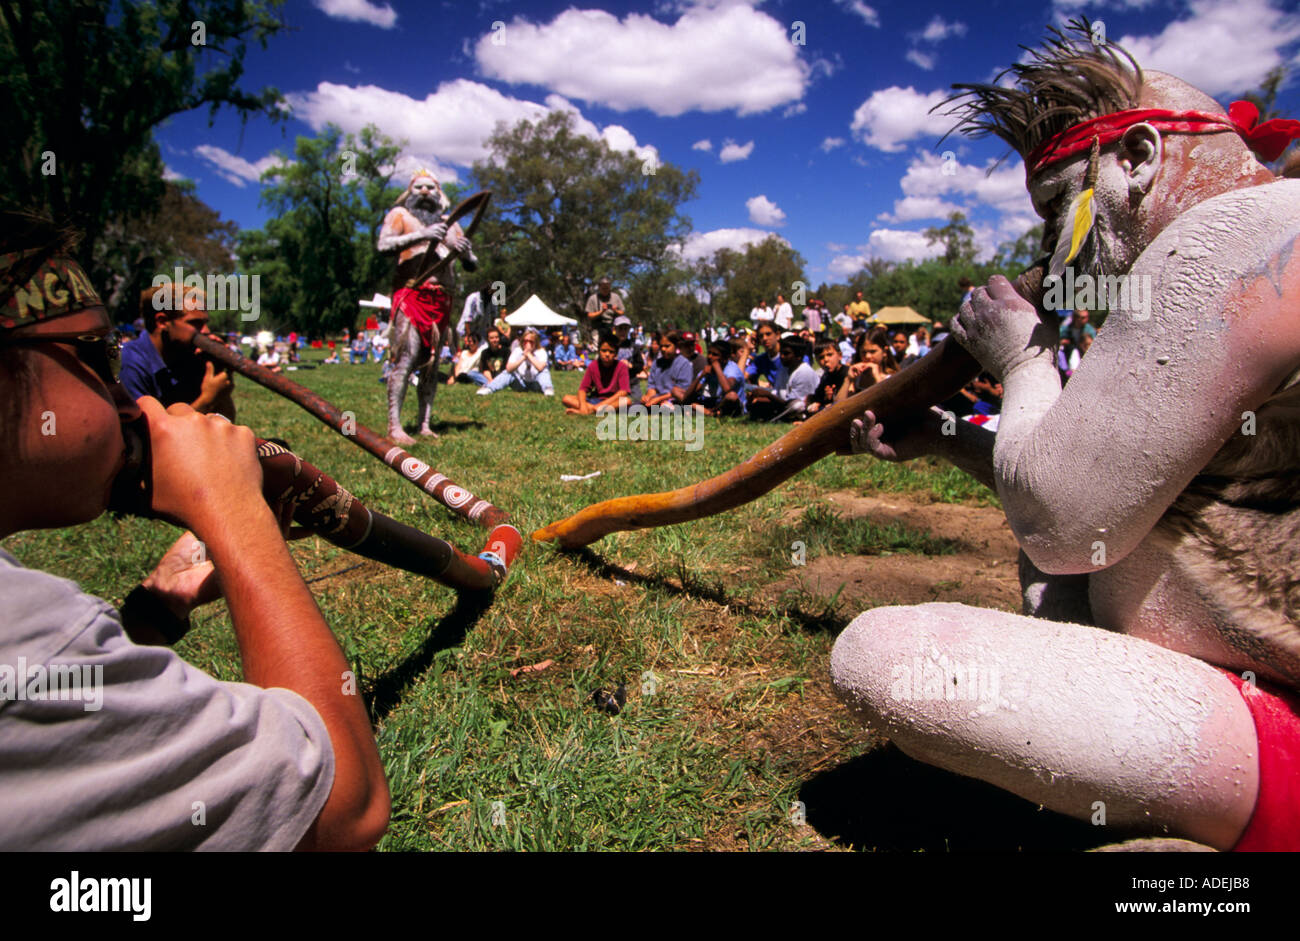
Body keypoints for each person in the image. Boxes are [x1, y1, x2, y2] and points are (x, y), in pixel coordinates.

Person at [833, 21, 1300, 851]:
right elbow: (1108, 492)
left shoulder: (1229, 238)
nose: (1057, 248)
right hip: (1253, 688)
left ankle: (1241, 830)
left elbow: (1057, 520)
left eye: (1061, 205)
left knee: (886, 656)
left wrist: (1022, 357)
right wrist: (947, 437)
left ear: (1140, 157)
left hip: (1282, 726)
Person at [0, 214, 389, 849]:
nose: (130, 406)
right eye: (97, 356)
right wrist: (235, 513)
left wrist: (156, 610)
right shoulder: (24, 630)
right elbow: (343, 807)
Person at [377, 168, 477, 444]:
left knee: (433, 365)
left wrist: (467, 252)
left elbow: (471, 263)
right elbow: (383, 245)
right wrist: (421, 236)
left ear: (439, 193)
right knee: (406, 359)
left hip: (441, 299)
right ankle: (394, 426)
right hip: (411, 295)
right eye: (418, 187)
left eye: (430, 188)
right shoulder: (400, 216)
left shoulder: (451, 224)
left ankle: (424, 423)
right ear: (410, 192)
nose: (424, 192)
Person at [119, 285, 235, 420]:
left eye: (205, 322)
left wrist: (219, 376)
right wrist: (207, 399)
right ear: (162, 322)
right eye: (195, 322)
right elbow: (147, 435)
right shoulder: (130, 362)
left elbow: (227, 422)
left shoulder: (188, 356)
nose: (206, 330)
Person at [747, 336, 819, 421]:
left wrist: (767, 394)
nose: (782, 356)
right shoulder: (784, 368)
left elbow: (794, 404)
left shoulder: (804, 372)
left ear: (798, 356)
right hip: (783, 406)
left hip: (800, 409)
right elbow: (777, 394)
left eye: (786, 353)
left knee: (797, 405)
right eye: (781, 353)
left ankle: (776, 419)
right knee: (757, 404)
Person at [563, 332, 632, 415]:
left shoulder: (621, 367)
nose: (607, 354)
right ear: (599, 351)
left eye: (611, 352)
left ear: (616, 354)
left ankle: (591, 410)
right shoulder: (593, 365)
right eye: (604, 351)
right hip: (595, 399)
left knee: (626, 401)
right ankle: (591, 410)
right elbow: (583, 389)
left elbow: (623, 392)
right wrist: (583, 406)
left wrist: (601, 405)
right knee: (566, 399)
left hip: (613, 401)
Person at [476, 328, 553, 396]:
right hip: (520, 383)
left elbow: (540, 368)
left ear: (536, 343)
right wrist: (523, 357)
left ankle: (548, 389)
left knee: (544, 371)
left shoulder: (541, 352)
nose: (527, 344)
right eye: (525, 341)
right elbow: (509, 368)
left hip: (535, 383)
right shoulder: (517, 351)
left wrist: (529, 354)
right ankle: (489, 388)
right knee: (508, 373)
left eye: (531, 341)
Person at [685, 340, 746, 417]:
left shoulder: (732, 369)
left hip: (730, 405)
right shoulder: (707, 369)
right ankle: (710, 412)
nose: (710, 356)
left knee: (731, 396)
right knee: (677, 391)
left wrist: (717, 368)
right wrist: (701, 375)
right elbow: (690, 394)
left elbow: (727, 389)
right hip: (712, 402)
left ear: (725, 358)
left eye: (715, 354)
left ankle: (711, 412)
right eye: (709, 353)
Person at [642, 332, 694, 408]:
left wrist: (658, 399)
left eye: (667, 346)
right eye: (661, 346)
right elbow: (652, 386)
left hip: (674, 400)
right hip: (657, 400)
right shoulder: (656, 363)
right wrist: (648, 397)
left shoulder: (684, 364)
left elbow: (681, 391)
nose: (663, 349)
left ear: (677, 346)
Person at [806, 339, 849, 415]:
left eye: (829, 355)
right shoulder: (825, 376)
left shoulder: (847, 373)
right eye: (821, 357)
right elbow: (818, 398)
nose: (826, 360)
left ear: (840, 356)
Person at [744, 322, 782, 387]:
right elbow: (740, 377)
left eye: (768, 334)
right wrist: (747, 350)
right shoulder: (761, 360)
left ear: (777, 335)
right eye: (761, 336)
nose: (764, 338)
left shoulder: (790, 356)